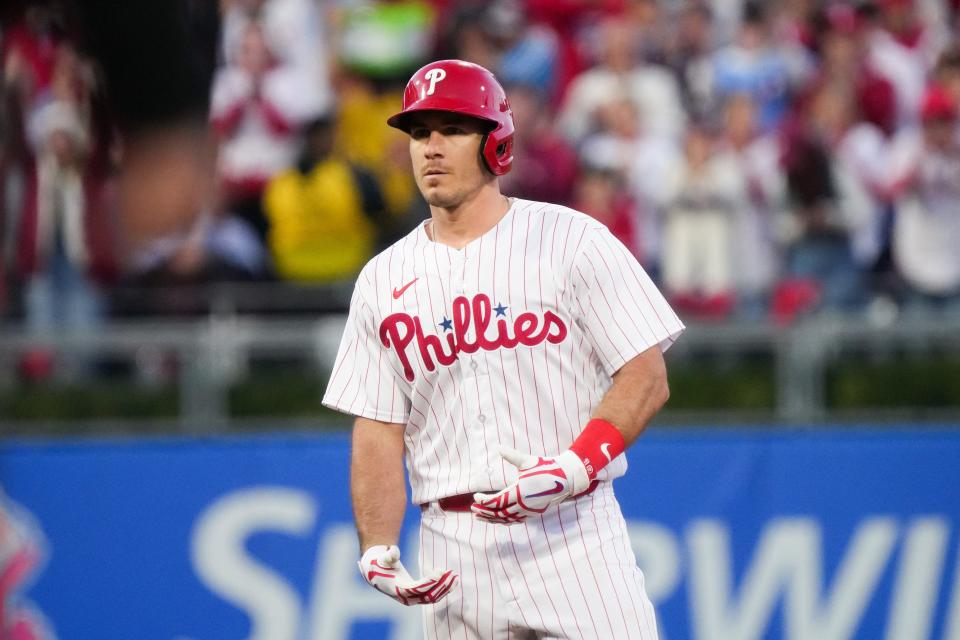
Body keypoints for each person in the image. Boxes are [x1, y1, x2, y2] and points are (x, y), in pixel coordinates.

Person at [322, 59, 684, 639]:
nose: (431, 148)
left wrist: (574, 467)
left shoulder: (571, 240)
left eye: (452, 129)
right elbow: (377, 428)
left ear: (497, 143)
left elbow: (646, 375)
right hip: (452, 553)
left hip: (572, 533)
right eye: (419, 133)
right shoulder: (381, 279)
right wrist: (377, 546)